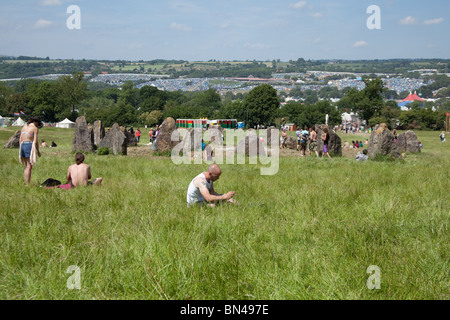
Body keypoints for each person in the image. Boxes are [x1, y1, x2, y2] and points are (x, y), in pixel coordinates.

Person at [19, 117, 42, 186]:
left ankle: (26, 182)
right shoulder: (35, 128)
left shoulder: (24, 126)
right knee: (29, 166)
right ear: (36, 122)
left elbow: (20, 139)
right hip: (28, 145)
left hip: (22, 145)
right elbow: (35, 142)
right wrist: (38, 151)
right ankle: (27, 184)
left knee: (26, 166)